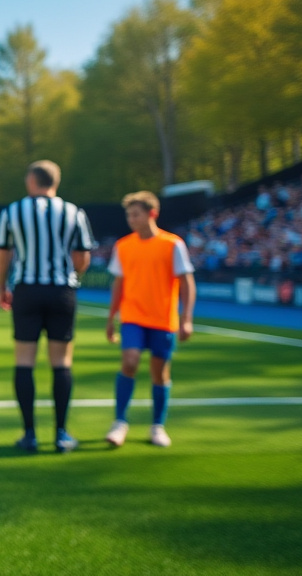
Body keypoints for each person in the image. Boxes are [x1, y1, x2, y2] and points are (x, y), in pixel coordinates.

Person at [0, 160, 96, 454]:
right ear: (56, 181)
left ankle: (29, 434)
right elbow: (82, 256)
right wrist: (71, 277)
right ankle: (61, 433)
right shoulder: (74, 212)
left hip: (26, 289)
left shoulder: (13, 211)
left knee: (24, 360)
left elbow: (3, 256)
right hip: (62, 290)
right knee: (61, 362)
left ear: (31, 181)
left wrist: (3, 288)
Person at [104, 191, 196, 449]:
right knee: (130, 361)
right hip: (132, 316)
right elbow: (118, 285)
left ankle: (158, 425)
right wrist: (111, 317)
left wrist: (186, 318)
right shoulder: (123, 246)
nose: (131, 219)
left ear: (152, 214)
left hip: (163, 319)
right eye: (129, 215)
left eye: (136, 214)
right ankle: (120, 422)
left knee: (159, 372)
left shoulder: (172, 244)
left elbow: (187, 283)